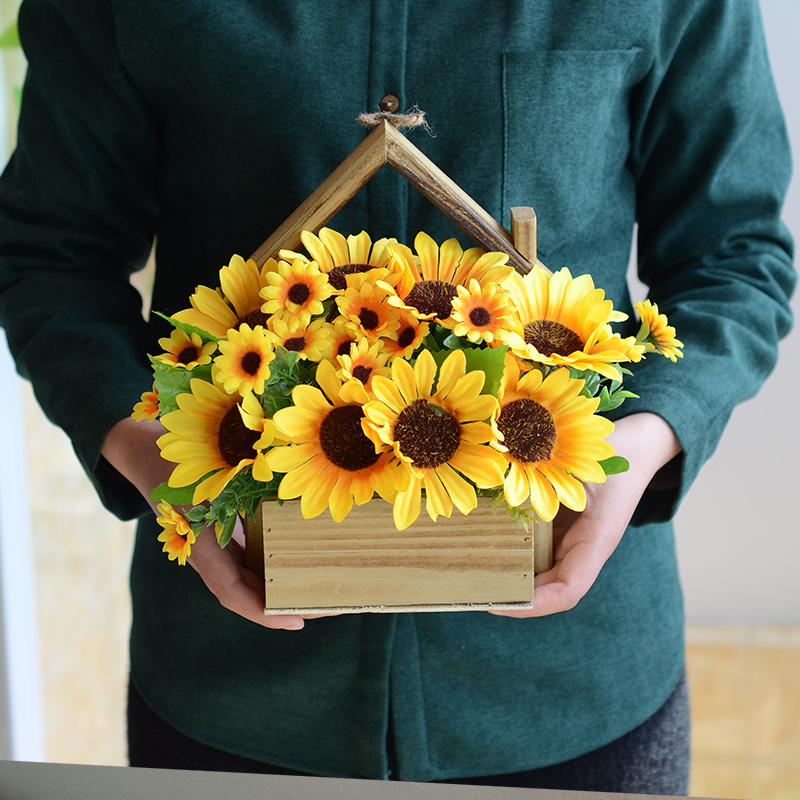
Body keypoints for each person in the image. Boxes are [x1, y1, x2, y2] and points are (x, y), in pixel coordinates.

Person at [0, 0, 793, 794]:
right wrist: (158, 460)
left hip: (573, 688)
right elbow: (47, 255)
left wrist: (640, 445)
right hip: (230, 689)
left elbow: (736, 256)